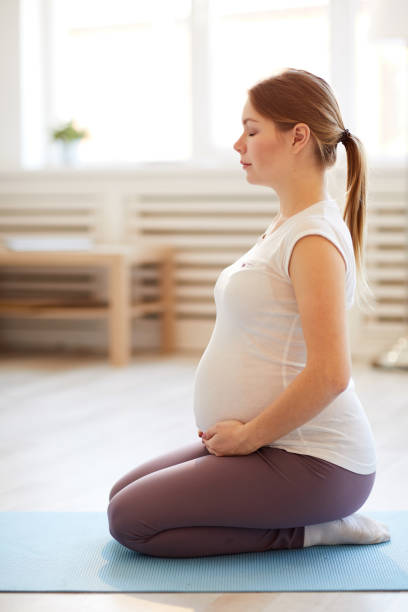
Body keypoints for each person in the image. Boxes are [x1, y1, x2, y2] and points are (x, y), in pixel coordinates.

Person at [107, 68, 390, 558]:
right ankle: (302, 516)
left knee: (132, 522)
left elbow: (330, 374)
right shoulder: (289, 224)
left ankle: (317, 529)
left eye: (252, 130)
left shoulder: (314, 239)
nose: (239, 144)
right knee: (122, 497)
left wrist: (247, 437)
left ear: (298, 136)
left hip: (316, 461)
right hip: (268, 446)